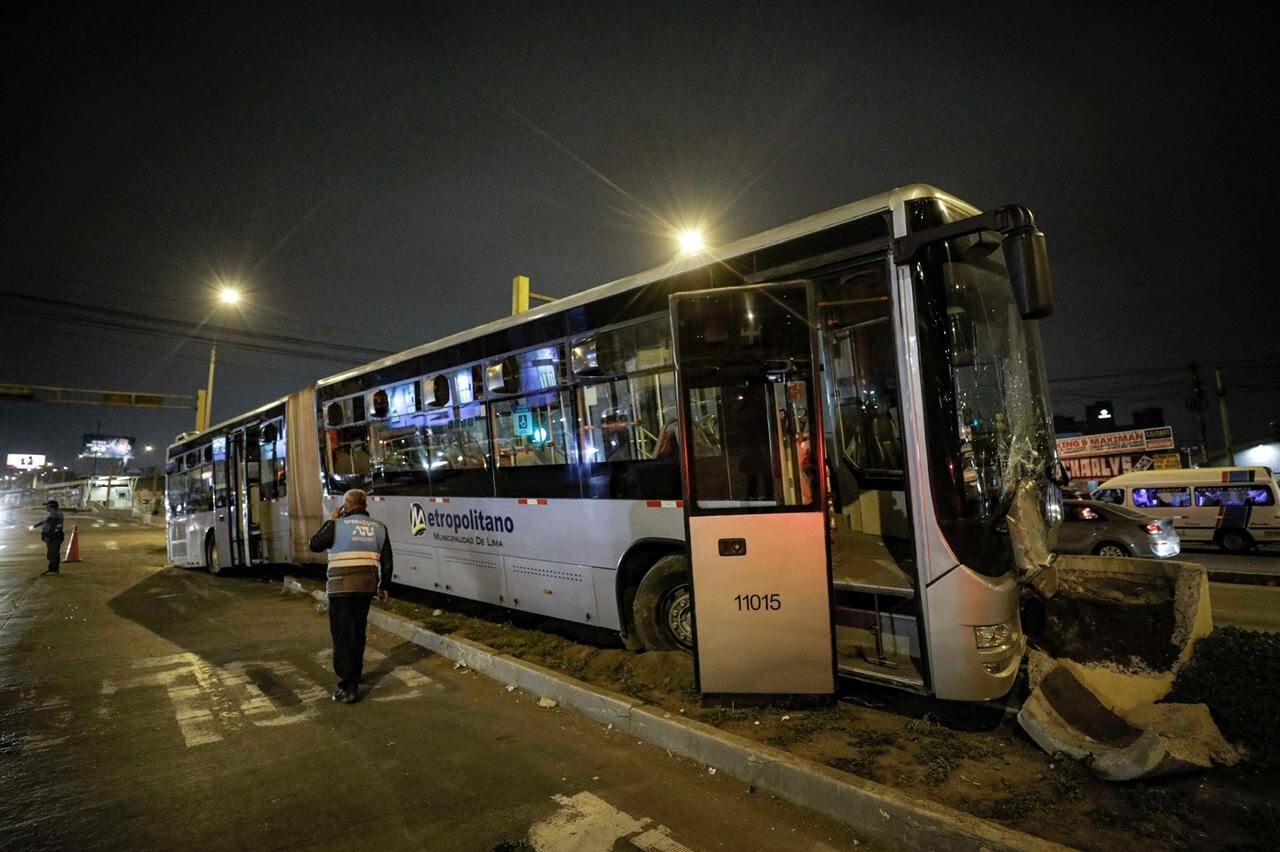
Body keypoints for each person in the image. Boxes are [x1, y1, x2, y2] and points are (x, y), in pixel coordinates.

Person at [308, 489, 393, 704]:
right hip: (366, 587)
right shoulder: (379, 527)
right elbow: (387, 562)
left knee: (343, 636)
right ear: (365, 506)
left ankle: (349, 685)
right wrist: (384, 586)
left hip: (340, 588)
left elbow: (314, 544)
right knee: (358, 632)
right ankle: (355, 673)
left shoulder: (337, 526)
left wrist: (331, 520)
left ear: (346, 506)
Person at [31, 500, 65, 575]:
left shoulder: (55, 515)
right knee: (53, 553)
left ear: (51, 507)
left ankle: (53, 569)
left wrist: (48, 536)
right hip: (55, 536)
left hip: (54, 537)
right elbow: (47, 522)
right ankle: (53, 569)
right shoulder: (55, 514)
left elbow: (52, 527)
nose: (46, 507)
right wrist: (37, 525)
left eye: (47, 506)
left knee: (52, 553)